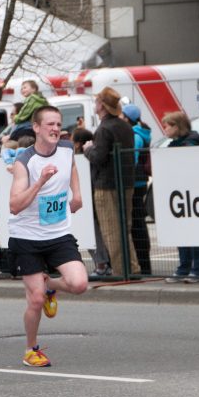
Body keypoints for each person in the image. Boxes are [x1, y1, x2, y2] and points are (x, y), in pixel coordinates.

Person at [8, 106, 88, 367]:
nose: (55, 129)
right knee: (36, 299)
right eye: (50, 124)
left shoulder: (66, 148)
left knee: (79, 284)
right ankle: (31, 350)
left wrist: (76, 194)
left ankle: (51, 283)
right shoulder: (24, 162)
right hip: (27, 238)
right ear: (36, 128)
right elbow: (15, 205)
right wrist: (40, 182)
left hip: (58, 233)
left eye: (58, 124)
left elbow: (72, 167)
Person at [83, 87, 138, 276]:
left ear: (102, 106)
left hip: (106, 185)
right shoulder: (125, 126)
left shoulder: (104, 129)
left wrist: (88, 149)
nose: (95, 105)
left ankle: (121, 271)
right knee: (125, 228)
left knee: (111, 231)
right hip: (126, 182)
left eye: (97, 102)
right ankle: (132, 268)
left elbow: (98, 157)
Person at [161, 111, 199, 283]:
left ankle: (197, 269)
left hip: (194, 194)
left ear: (176, 126)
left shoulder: (191, 142)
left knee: (195, 231)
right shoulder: (173, 145)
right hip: (179, 194)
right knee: (181, 231)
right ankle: (184, 267)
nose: (164, 129)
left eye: (167, 126)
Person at [123, 104, 152, 276]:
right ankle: (143, 263)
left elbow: (131, 160)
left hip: (135, 184)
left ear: (127, 118)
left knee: (136, 225)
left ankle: (144, 265)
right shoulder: (141, 132)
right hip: (140, 183)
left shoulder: (135, 135)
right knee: (138, 223)